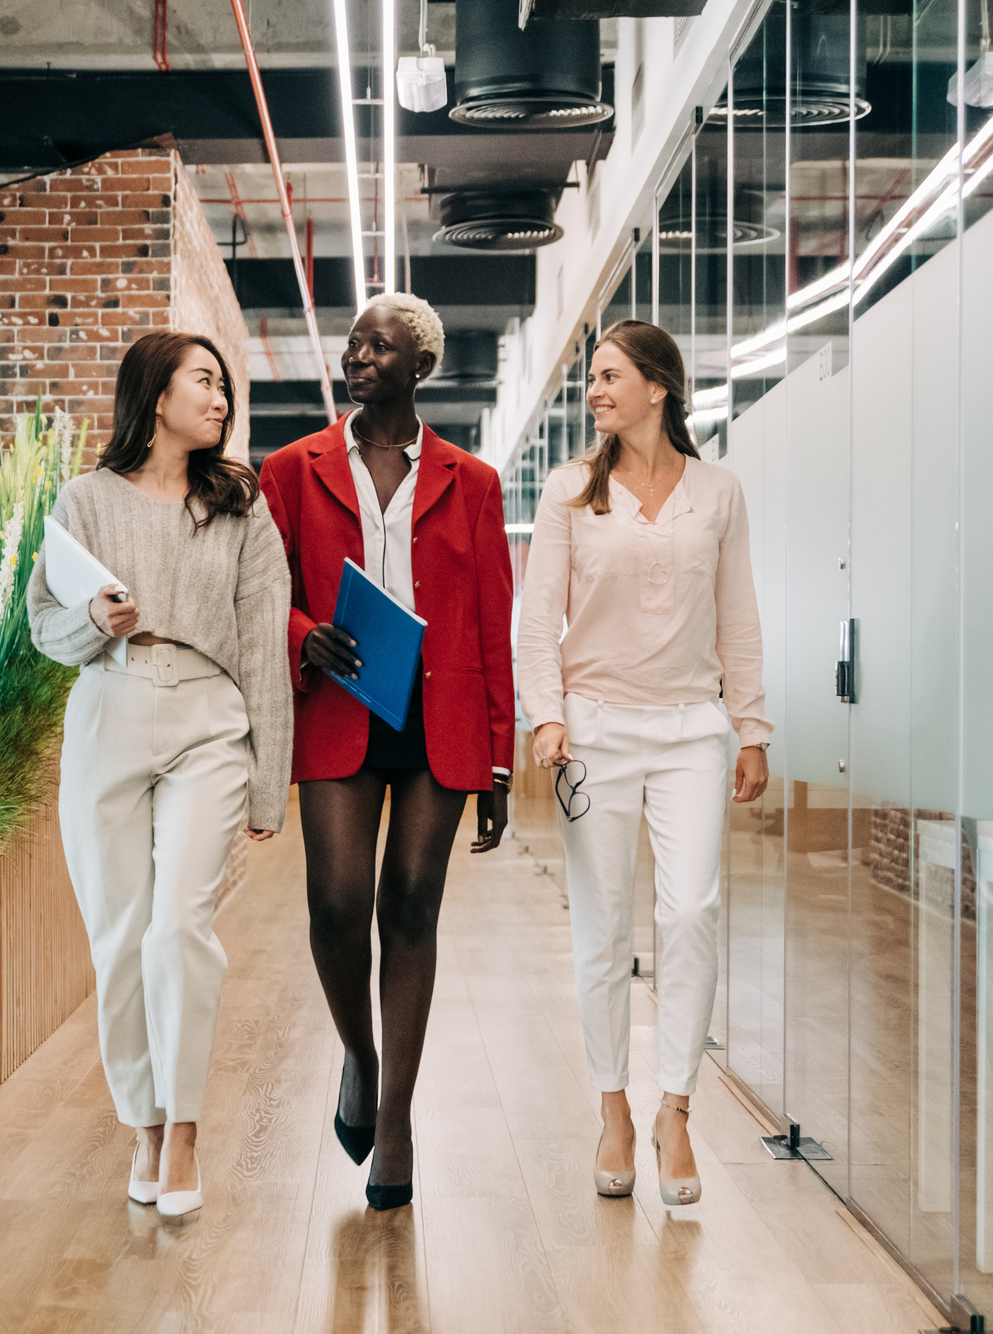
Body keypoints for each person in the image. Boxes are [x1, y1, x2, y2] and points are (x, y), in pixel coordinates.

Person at [27, 330, 291, 1221]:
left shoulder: (242, 509)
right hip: (109, 706)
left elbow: (263, 647)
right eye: (204, 381)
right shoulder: (84, 501)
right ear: (155, 394)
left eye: (225, 386)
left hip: (207, 719)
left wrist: (269, 780)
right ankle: (141, 1124)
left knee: (180, 926)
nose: (221, 400)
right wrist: (96, 617)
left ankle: (184, 1131)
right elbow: (43, 629)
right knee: (120, 934)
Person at [260, 292, 514, 1211]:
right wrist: (300, 632)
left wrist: (498, 759)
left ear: (422, 367)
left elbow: (493, 621)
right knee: (336, 905)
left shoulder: (473, 482)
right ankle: (359, 1059)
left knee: (411, 906)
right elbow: (264, 586)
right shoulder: (290, 469)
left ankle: (396, 1119)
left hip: (436, 715)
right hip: (339, 702)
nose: (359, 353)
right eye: (356, 341)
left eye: (382, 345)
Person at [514, 319, 771, 1207]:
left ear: (658, 387)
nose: (595, 391)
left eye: (610, 375)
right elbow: (535, 617)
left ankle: (676, 1109)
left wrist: (753, 726)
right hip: (595, 732)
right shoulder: (568, 494)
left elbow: (738, 613)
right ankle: (614, 1107)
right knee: (604, 926)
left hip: (693, 729)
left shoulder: (719, 492)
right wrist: (546, 720)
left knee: (692, 908)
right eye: (591, 378)